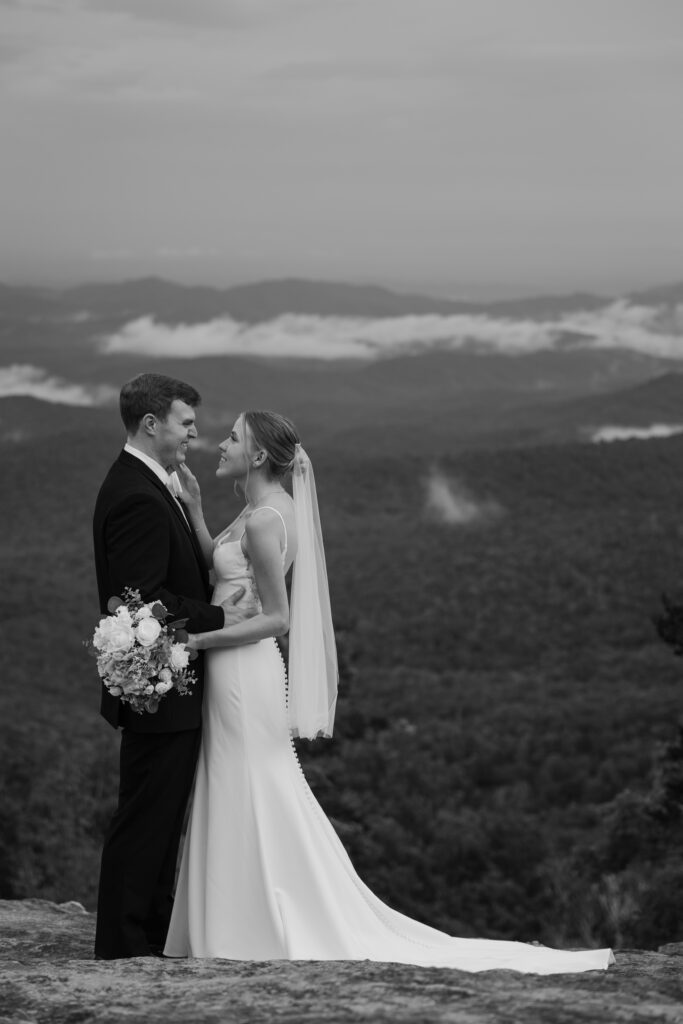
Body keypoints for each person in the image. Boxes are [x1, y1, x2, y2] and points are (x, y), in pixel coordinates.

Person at [163, 409, 614, 973]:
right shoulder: (269, 510)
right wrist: (199, 511)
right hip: (241, 666)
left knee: (248, 780)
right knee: (243, 780)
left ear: (257, 456)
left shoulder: (262, 520)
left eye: (233, 437)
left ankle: (241, 921)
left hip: (240, 669)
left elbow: (278, 618)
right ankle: (239, 915)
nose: (221, 443)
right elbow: (224, 572)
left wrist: (199, 642)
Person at [92, 373, 252, 960]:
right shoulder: (136, 494)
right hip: (157, 689)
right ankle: (123, 947)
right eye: (187, 422)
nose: (195, 433)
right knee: (146, 819)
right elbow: (144, 599)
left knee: (160, 819)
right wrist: (222, 615)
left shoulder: (152, 484)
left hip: (166, 683)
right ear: (152, 423)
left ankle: (147, 938)